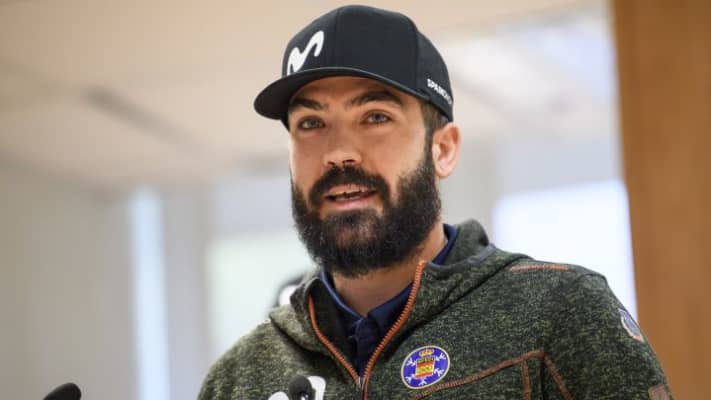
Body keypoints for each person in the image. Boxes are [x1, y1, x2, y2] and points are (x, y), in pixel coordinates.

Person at [199, 5, 672, 400]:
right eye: (311, 124)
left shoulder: (559, 314)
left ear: (442, 149)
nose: (339, 152)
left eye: (375, 117)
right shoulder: (239, 379)